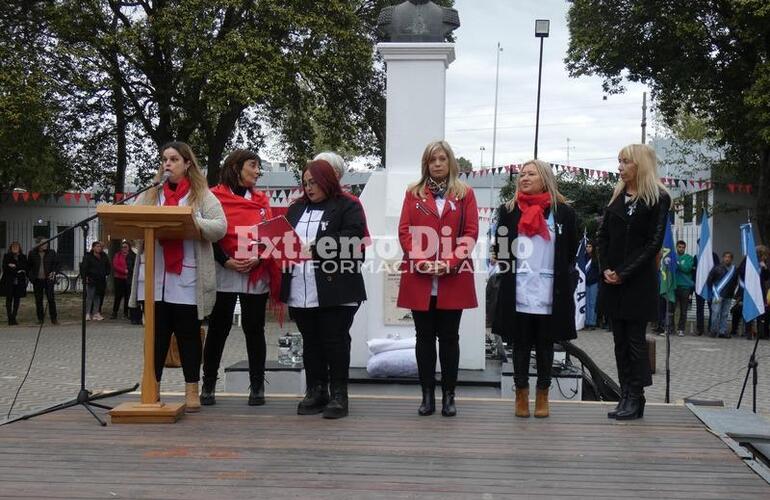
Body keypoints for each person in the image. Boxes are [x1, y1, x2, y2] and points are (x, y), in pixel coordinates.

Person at [129, 141, 226, 412]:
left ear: (187, 163)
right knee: (155, 336)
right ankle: (152, 388)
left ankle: (192, 390)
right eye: (164, 159)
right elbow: (131, 220)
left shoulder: (201, 195)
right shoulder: (151, 193)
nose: (167, 164)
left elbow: (220, 227)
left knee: (188, 336)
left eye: (173, 159)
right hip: (154, 278)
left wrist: (193, 222)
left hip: (186, 280)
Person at [397, 140, 479, 417]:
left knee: (449, 338)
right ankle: (427, 395)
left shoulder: (464, 193)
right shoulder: (413, 193)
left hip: (452, 277)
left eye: (443, 159)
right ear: (426, 164)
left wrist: (451, 262)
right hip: (420, 278)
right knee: (423, 338)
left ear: (451, 162)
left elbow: (470, 233)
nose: (438, 164)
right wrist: (420, 261)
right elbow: (405, 232)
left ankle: (449, 395)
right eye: (433, 160)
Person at [280, 159, 367, 419]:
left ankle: (339, 394)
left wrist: (317, 246)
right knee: (311, 341)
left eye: (314, 182)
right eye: (305, 183)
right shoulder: (295, 209)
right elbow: (284, 237)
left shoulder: (348, 205)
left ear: (327, 180)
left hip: (335, 287)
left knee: (335, 340)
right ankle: (316, 390)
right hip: (300, 285)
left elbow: (354, 238)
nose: (309, 187)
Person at [492, 159, 577, 419]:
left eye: (531, 174)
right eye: (522, 174)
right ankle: (521, 393)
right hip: (518, 287)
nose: (524, 178)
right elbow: (503, 249)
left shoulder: (563, 212)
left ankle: (543, 394)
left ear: (545, 179)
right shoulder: (508, 210)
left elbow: (570, 248)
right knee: (519, 342)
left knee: (545, 343)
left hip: (550, 288)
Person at [598, 143, 671, 421]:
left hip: (637, 282)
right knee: (619, 341)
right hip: (612, 280)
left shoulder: (658, 198)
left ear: (640, 164)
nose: (619, 167)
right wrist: (606, 269)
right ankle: (624, 394)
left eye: (625, 162)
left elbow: (653, 243)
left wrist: (624, 272)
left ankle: (636, 396)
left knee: (635, 342)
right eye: (619, 161)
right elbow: (602, 236)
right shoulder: (617, 197)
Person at [202, 149, 281, 406]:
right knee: (218, 328)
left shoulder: (261, 200)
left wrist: (258, 258)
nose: (257, 171)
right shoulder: (213, 196)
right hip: (224, 268)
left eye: (258, 167)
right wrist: (226, 260)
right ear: (236, 167)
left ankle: (257, 386)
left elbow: (271, 236)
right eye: (253, 165)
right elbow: (206, 233)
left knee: (254, 328)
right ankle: (208, 384)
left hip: (254, 270)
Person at [27, 237, 60, 325]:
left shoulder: (52, 252)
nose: (46, 244)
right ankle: (40, 319)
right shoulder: (32, 253)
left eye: (47, 243)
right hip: (37, 280)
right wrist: (31, 277)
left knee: (51, 298)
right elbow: (28, 267)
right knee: (38, 299)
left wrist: (54, 272)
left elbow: (57, 264)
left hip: (48, 279)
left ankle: (54, 318)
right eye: (44, 243)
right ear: (38, 244)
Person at [706, 251, 737, 338]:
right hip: (717, 295)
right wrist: (712, 292)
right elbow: (709, 280)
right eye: (726, 257)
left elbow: (735, 282)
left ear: (731, 259)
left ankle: (722, 332)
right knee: (715, 313)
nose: (727, 259)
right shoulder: (717, 268)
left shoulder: (734, 270)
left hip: (728, 295)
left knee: (725, 314)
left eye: (729, 257)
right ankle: (713, 331)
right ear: (723, 258)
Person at [81, 241, 110, 321]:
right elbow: (84, 268)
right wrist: (85, 277)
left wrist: (106, 272)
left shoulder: (104, 256)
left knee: (98, 297)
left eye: (100, 247)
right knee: (90, 297)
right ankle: (87, 313)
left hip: (101, 280)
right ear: (93, 247)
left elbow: (108, 266)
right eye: (97, 246)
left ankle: (96, 313)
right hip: (91, 279)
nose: (99, 248)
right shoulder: (88, 256)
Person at [1, 242, 28, 325]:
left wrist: (14, 266)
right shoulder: (7, 256)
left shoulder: (23, 257)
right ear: (10, 248)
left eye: (16, 247)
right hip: (9, 281)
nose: (15, 248)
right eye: (13, 247)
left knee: (17, 299)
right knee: (9, 299)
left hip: (19, 282)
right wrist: (17, 269)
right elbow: (5, 267)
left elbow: (24, 267)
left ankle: (14, 317)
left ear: (19, 248)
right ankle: (10, 317)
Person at [672, 240, 695, 336]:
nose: (681, 249)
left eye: (683, 247)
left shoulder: (689, 258)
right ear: (676, 247)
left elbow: (687, 268)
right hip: (673, 286)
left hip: (685, 287)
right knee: (671, 310)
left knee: (683, 310)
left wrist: (677, 263)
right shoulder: (672, 256)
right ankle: (670, 328)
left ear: (685, 248)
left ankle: (681, 329)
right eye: (679, 247)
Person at [111, 240, 135, 320]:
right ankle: (115, 312)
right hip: (118, 278)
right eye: (122, 247)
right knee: (118, 296)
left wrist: (129, 271)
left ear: (129, 248)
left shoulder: (132, 255)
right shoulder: (117, 255)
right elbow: (115, 265)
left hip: (128, 278)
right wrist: (124, 271)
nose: (123, 249)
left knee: (127, 296)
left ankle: (126, 313)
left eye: (125, 247)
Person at [585, 241, 600, 329]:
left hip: (594, 282)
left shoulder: (596, 258)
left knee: (592, 303)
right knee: (586, 303)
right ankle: (586, 321)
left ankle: (592, 322)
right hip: (585, 283)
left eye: (590, 246)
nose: (588, 248)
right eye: (587, 246)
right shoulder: (583, 258)